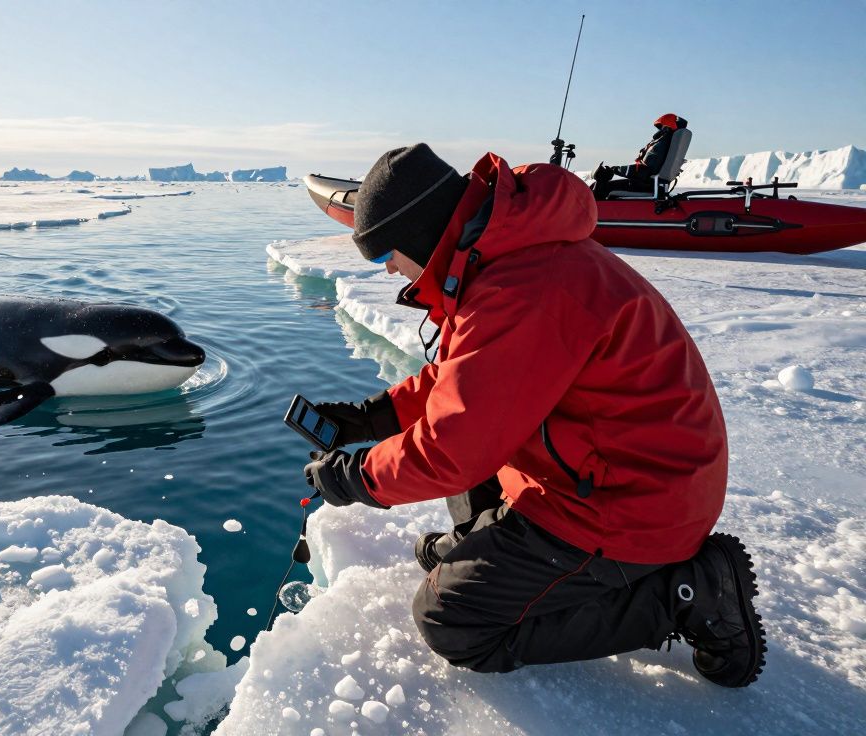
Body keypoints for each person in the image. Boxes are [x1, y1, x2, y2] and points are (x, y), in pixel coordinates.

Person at [302, 142, 766, 687]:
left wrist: (356, 477)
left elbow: (455, 447)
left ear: (417, 235)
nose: (389, 273)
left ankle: (686, 594)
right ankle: (495, 538)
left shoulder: (523, 287)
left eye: (385, 257)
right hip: (606, 471)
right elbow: (464, 382)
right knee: (471, 472)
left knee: (452, 620)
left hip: (635, 502)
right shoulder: (499, 259)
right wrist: (374, 417)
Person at [591, 113, 688, 199]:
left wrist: (614, 170)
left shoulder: (660, 146)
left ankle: (594, 214)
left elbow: (644, 171)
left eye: (661, 127)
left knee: (600, 187)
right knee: (599, 185)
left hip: (645, 185)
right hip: (649, 184)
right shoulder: (667, 144)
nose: (659, 131)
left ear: (666, 128)